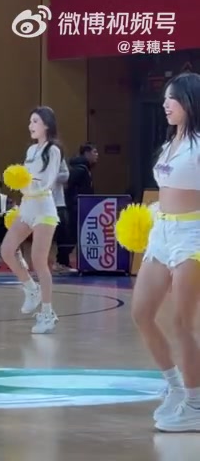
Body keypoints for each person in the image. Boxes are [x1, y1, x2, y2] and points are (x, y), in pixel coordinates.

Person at [131, 72, 200, 432]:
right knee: (142, 312)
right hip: (162, 231)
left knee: (183, 323)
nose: (165, 104)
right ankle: (174, 386)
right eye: (164, 98)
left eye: (171, 98)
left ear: (190, 101)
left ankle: (196, 404)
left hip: (193, 234)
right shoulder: (171, 142)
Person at [0, 106, 62, 335]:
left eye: (35, 121)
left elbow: (47, 182)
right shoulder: (31, 150)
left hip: (44, 208)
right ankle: (30, 288)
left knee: (39, 260)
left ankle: (47, 313)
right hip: (27, 207)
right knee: (7, 250)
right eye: (30, 121)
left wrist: (26, 183)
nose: (30, 126)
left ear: (46, 124)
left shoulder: (53, 150)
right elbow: (26, 180)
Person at [64, 143, 98, 266]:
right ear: (86, 153)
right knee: (72, 234)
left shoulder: (85, 169)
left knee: (75, 235)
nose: (97, 155)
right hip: (76, 207)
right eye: (94, 152)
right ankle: (61, 261)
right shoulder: (80, 170)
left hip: (81, 206)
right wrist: (74, 202)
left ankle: (64, 261)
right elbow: (67, 187)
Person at [52, 158, 76, 273]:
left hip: (59, 203)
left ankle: (62, 262)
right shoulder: (34, 154)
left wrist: (51, 175)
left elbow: (65, 175)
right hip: (40, 202)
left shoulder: (58, 155)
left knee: (64, 234)